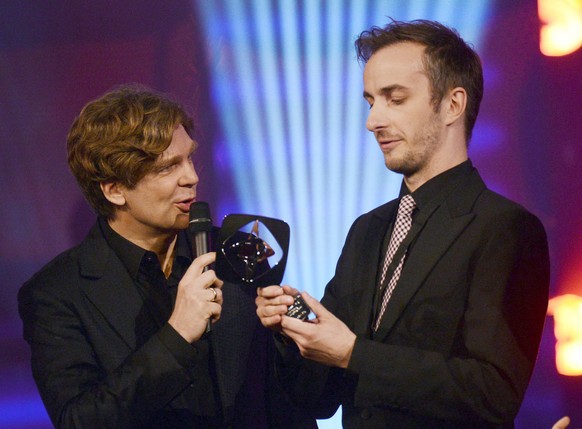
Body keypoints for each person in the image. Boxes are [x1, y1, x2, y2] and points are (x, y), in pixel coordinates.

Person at [256, 19, 550, 428]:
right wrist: (292, 327)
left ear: (452, 104)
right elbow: (318, 397)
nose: (372, 121)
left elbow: (494, 393)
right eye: (370, 101)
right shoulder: (367, 230)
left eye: (394, 99)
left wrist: (352, 352)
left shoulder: (505, 229)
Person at [18, 85, 316, 429]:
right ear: (115, 190)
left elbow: (301, 396)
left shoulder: (238, 248)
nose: (192, 177)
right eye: (167, 167)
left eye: (189, 158)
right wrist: (176, 336)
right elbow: (80, 421)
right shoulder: (56, 292)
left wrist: (294, 333)